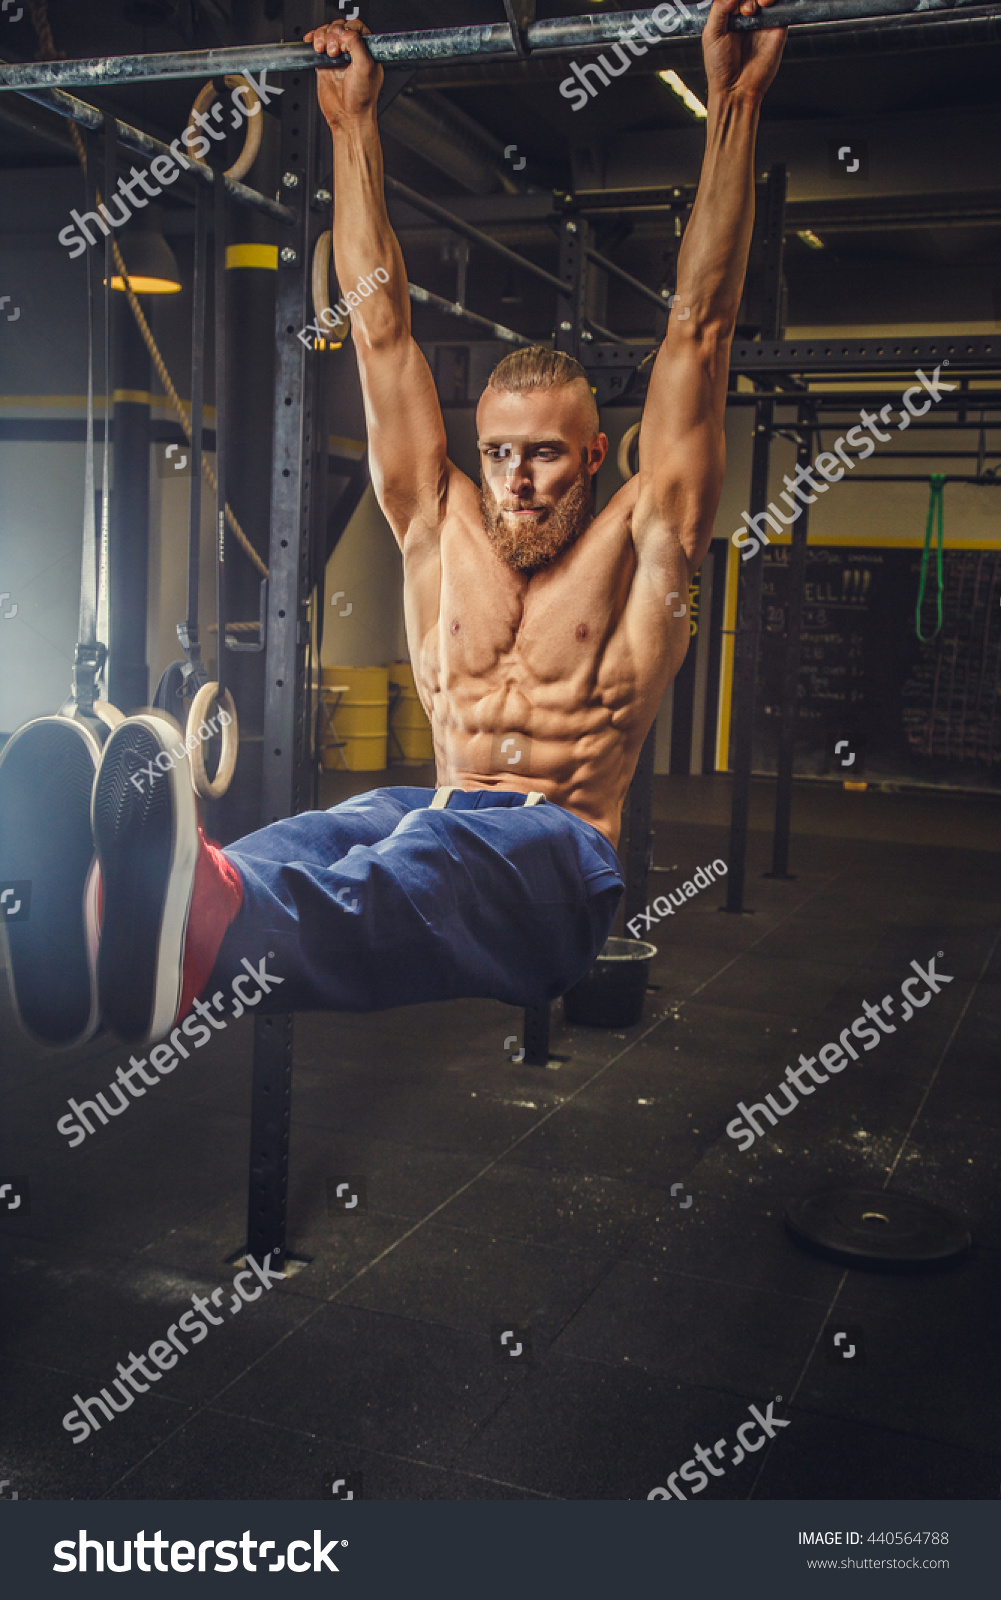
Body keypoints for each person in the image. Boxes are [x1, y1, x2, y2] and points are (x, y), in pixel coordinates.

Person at [0, 0, 785, 1051]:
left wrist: (730, 105)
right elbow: (378, 328)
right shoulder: (437, 518)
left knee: (408, 872)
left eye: (545, 455)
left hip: (555, 867)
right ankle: (102, 922)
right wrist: (348, 127)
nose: (516, 480)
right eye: (499, 452)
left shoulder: (645, 541)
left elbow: (700, 322)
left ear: (595, 457)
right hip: (440, 809)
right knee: (328, 836)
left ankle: (193, 929)